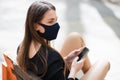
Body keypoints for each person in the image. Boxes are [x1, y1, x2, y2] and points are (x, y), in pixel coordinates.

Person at [17, 1, 110, 80]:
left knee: (75, 37)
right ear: (35, 26)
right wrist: (74, 70)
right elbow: (51, 64)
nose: (56, 26)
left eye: (56, 20)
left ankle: (90, 73)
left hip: (53, 73)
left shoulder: (22, 47)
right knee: (104, 62)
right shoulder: (52, 57)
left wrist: (66, 60)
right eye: (50, 21)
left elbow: (48, 68)